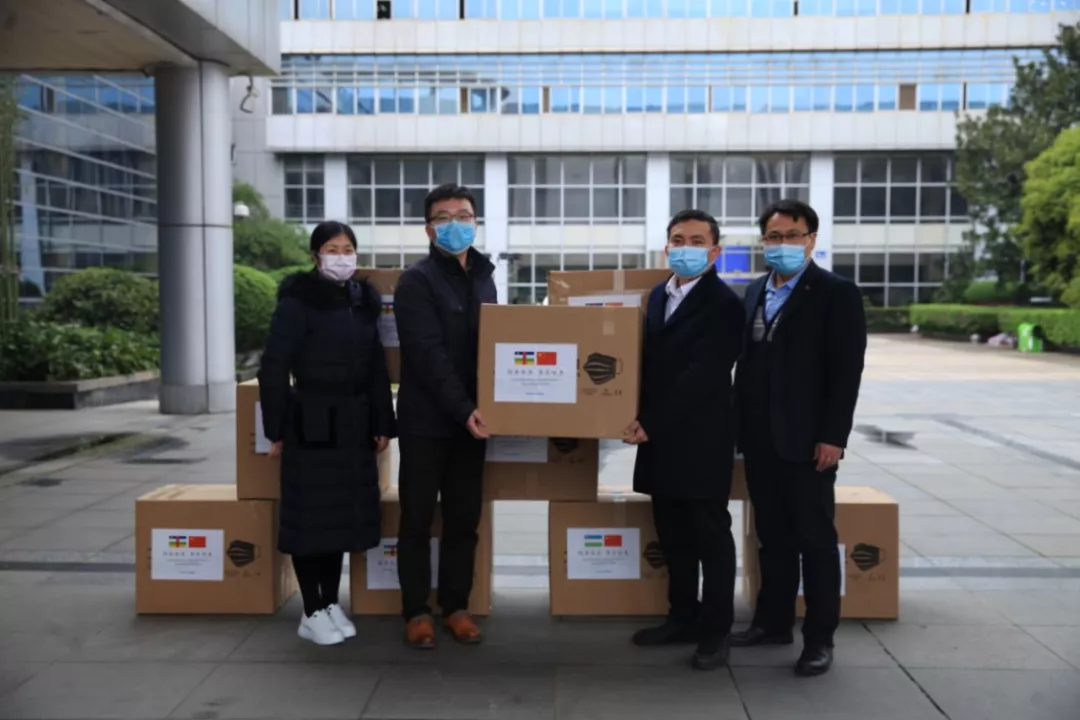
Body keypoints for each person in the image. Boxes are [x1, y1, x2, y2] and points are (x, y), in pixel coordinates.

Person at [732, 199, 867, 676]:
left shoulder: (836, 293)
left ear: (811, 239)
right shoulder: (754, 291)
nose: (783, 244)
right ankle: (773, 622)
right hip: (761, 439)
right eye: (774, 236)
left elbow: (845, 373)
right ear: (763, 241)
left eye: (793, 235)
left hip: (809, 442)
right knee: (772, 537)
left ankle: (819, 639)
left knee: (815, 540)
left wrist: (833, 436)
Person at [258, 222, 395, 646]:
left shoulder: (362, 301)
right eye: (332, 249)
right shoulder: (297, 302)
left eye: (348, 248)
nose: (341, 256)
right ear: (315, 255)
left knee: (340, 519)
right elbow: (273, 367)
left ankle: (331, 601)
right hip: (311, 420)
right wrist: (276, 428)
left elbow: (376, 366)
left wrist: (382, 422)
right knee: (311, 519)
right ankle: (312, 608)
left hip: (354, 422)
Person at [623, 209, 745, 671]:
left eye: (697, 241)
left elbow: (704, 374)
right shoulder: (658, 295)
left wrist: (650, 420)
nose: (686, 248)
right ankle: (682, 617)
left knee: (710, 538)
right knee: (672, 534)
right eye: (678, 240)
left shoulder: (724, 304)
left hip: (701, 439)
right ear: (666, 248)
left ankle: (716, 631)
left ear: (715, 252)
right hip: (661, 441)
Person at [394, 183, 496, 649]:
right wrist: (465, 408)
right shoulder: (415, 282)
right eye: (444, 217)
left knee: (463, 519)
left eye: (464, 215)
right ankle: (416, 611)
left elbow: (492, 349)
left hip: (472, 424)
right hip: (426, 422)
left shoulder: (485, 277)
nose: (455, 224)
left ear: (475, 222)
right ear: (429, 229)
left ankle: (456, 606)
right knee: (416, 519)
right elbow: (427, 354)